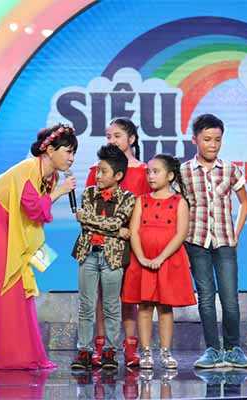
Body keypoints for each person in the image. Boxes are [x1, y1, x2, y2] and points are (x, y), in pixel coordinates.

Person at [0, 124, 77, 369]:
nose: (71, 158)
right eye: (68, 151)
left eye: (73, 152)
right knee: (5, 283)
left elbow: (38, 214)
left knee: (19, 283)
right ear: (50, 150)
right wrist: (58, 192)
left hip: (12, 224)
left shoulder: (50, 176)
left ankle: (17, 352)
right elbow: (34, 207)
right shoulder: (28, 169)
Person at [181, 114, 247, 369]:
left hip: (224, 242)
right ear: (195, 140)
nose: (213, 145)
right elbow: (179, 207)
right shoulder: (184, 172)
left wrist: (236, 232)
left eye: (217, 140)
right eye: (207, 139)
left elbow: (245, 202)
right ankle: (212, 350)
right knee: (205, 296)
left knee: (230, 298)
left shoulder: (230, 169)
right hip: (195, 241)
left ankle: (233, 349)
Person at [84, 118, 149, 367]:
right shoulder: (96, 171)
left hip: (132, 242)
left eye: (117, 136)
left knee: (129, 297)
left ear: (131, 139)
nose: (112, 140)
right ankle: (101, 347)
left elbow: (145, 209)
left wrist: (131, 234)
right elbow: (88, 208)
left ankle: (130, 348)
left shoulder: (144, 171)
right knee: (103, 296)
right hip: (102, 243)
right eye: (108, 136)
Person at [122, 154, 196, 369]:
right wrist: (142, 258)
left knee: (165, 308)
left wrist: (160, 258)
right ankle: (145, 352)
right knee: (144, 307)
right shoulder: (141, 200)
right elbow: (134, 231)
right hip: (143, 261)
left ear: (170, 176)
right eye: (149, 172)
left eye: (156, 172)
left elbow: (181, 234)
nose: (151, 176)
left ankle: (165, 352)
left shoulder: (179, 202)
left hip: (167, 262)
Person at [71, 144, 136, 370]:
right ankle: (84, 351)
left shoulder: (128, 198)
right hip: (88, 254)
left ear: (118, 175)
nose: (98, 175)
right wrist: (117, 231)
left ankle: (110, 351)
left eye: (103, 171)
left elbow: (114, 222)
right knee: (86, 305)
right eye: (98, 170)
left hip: (112, 258)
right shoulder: (88, 193)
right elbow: (89, 225)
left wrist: (92, 220)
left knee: (111, 306)